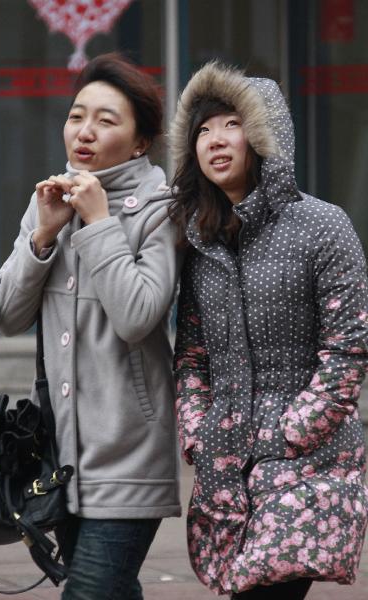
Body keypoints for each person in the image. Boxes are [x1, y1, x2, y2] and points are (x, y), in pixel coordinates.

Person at [169, 60, 368, 599]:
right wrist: (197, 430)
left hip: (307, 460)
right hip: (225, 461)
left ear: (264, 131)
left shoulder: (323, 226)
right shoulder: (202, 239)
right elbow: (191, 354)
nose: (215, 139)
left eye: (231, 123)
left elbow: (348, 351)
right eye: (203, 129)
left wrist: (289, 434)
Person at [0, 53, 182, 600]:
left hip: (128, 453)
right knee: (107, 590)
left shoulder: (162, 211)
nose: (85, 131)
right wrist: (43, 238)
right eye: (77, 115)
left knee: (91, 592)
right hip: (56, 454)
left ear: (140, 143)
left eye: (106, 120)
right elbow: (4, 316)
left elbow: (139, 316)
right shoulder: (50, 199)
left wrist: (99, 223)